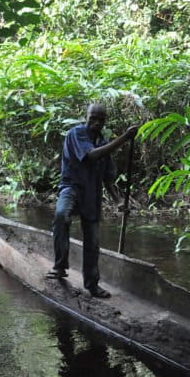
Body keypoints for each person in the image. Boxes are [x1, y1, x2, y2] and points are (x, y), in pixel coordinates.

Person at [46, 103, 138, 298]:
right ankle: (60, 266)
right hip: (71, 187)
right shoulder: (76, 134)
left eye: (100, 119)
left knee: (93, 241)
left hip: (92, 194)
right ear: (85, 117)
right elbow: (91, 156)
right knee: (62, 215)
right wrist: (124, 138)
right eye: (92, 118)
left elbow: (107, 178)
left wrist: (117, 201)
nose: (96, 122)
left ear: (104, 122)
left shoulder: (103, 143)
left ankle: (92, 284)